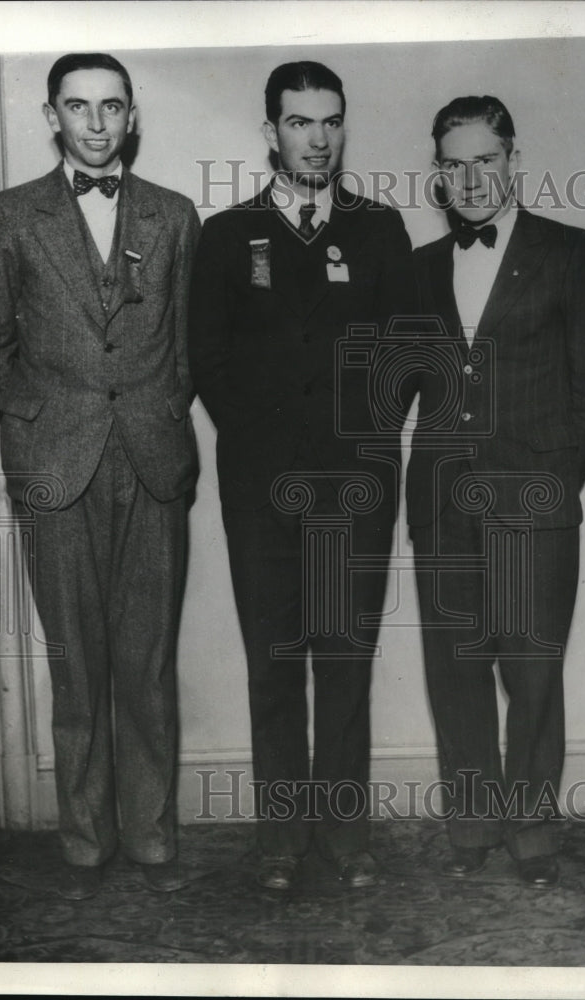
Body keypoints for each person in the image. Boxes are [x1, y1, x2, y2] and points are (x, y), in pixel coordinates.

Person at [0, 53, 200, 900]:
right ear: (52, 116)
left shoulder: (172, 215)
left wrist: (160, 409)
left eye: (111, 108)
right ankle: (86, 837)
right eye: (78, 107)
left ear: (131, 116)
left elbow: (188, 341)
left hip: (153, 462)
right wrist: (32, 418)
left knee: (146, 660)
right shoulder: (13, 215)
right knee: (77, 661)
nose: (96, 124)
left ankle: (152, 833)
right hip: (55, 465)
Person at [189, 61, 412, 890]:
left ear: (343, 125)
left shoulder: (380, 230)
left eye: (330, 121)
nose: (316, 139)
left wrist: (360, 442)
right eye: (298, 122)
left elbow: (405, 352)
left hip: (356, 486)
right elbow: (207, 358)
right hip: (262, 489)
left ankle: (346, 839)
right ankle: (280, 841)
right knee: (273, 659)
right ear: (270, 130)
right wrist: (275, 443)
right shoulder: (226, 235)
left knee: (346, 657)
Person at [406, 96, 585, 888]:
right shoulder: (421, 268)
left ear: (512, 161)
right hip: (441, 504)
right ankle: (470, 823)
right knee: (456, 667)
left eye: (485, 160)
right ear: (438, 174)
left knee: (531, 670)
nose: (470, 178)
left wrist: (550, 478)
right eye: (454, 163)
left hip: (532, 502)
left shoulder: (571, 251)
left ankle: (532, 831)